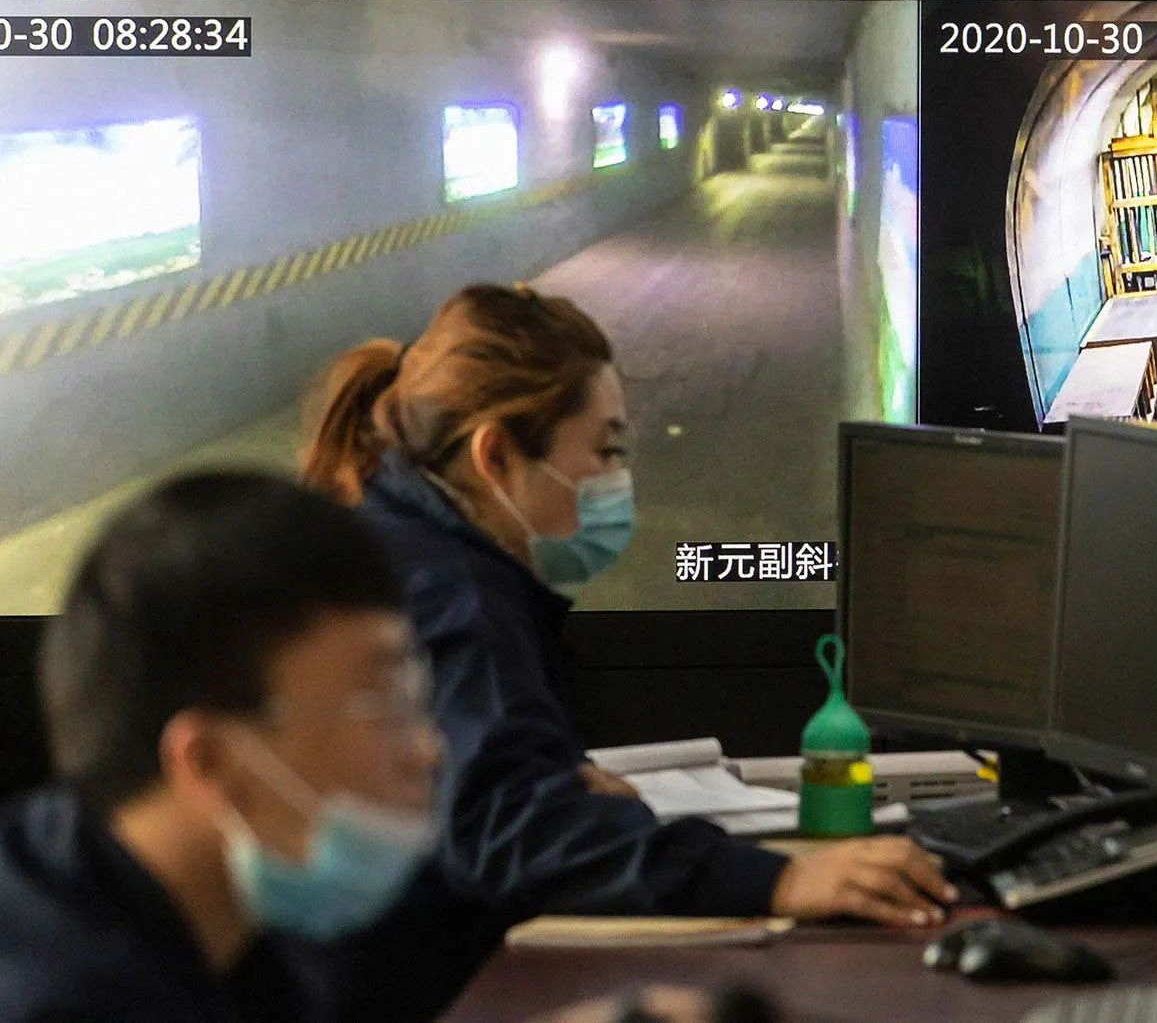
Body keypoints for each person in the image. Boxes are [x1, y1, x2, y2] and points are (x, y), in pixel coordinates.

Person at [298, 283, 954, 1021]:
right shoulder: (458, 596)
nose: (618, 482)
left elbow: (469, 791)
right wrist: (779, 883)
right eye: (605, 450)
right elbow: (509, 831)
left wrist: (552, 779)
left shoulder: (398, 543)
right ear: (496, 455)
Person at [0, 472, 442, 1022]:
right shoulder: (65, 998)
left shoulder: (228, 912)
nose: (428, 750)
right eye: (385, 703)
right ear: (209, 763)